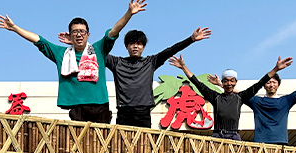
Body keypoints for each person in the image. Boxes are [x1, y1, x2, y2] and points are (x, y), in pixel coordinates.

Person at [0, 1, 146, 124]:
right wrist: (15, 28)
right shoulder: (62, 53)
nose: (79, 34)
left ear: (88, 35)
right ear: (70, 35)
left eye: (82, 31)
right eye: (75, 32)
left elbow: (113, 32)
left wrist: (129, 14)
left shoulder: (98, 49)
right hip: (77, 107)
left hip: (100, 106)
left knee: (101, 147)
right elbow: (39, 40)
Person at [61, 26, 211, 127]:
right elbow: (96, 53)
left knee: (143, 149)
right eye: (132, 43)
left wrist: (191, 38)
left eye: (139, 44)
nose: (135, 46)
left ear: (143, 46)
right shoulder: (116, 62)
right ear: (126, 46)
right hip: (124, 112)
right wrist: (76, 44)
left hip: (143, 112)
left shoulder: (150, 62)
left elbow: (169, 50)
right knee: (121, 150)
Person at [168, 54, 292, 140]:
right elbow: (198, 84)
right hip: (217, 135)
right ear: (222, 82)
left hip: (234, 136)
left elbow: (259, 83)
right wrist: (184, 67)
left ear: (236, 82)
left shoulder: (240, 97)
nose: (229, 84)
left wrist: (276, 69)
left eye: (232, 81)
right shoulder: (215, 97)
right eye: (226, 81)